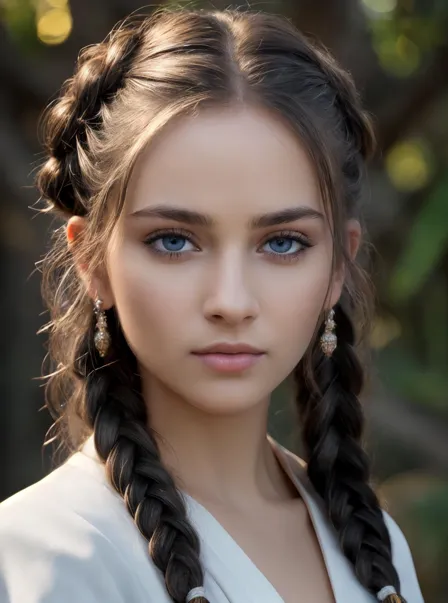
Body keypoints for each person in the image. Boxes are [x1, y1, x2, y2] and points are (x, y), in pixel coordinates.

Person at [0, 7, 424, 603]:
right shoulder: (48, 556)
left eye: (282, 243)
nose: (231, 302)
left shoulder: (377, 550)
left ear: (338, 264)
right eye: (173, 240)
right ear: (92, 261)